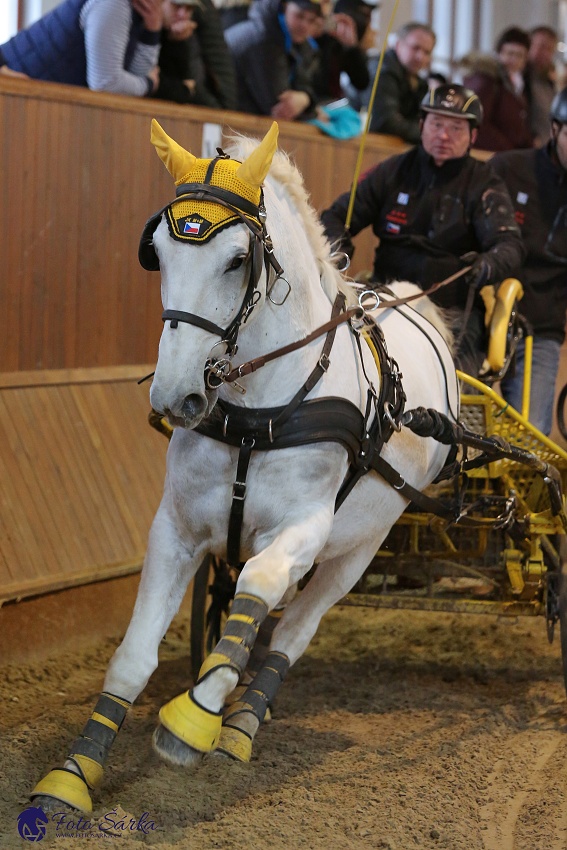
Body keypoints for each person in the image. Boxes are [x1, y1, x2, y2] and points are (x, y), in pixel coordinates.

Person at [320, 84, 525, 377]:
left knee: (447, 388)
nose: (444, 135)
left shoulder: (485, 183)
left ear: (473, 136)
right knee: (347, 368)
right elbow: (336, 216)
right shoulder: (392, 171)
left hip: (452, 310)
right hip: (386, 298)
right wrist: (338, 249)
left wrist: (490, 264)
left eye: (456, 128)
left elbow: (510, 245)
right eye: (437, 124)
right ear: (421, 125)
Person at [490, 88, 567, 435]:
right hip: (483, 315)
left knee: (532, 433)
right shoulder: (508, 168)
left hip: (543, 327)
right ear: (555, 130)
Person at [0, 0, 162, 97]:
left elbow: (136, 78)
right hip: (13, 90)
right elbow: (105, 84)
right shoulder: (113, 4)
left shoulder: (139, 12)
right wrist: (148, 84)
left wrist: (152, 31)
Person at [225, 0, 324, 119]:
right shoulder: (263, 38)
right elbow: (279, 107)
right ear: (285, 6)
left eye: (312, 20)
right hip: (225, 117)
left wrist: (306, 99)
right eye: (299, 15)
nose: (304, 25)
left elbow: (303, 83)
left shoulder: (296, 40)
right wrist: (313, 112)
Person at [154, 0, 237, 108]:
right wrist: (185, 90)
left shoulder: (189, 31)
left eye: (189, 8)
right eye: (177, 6)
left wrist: (180, 43)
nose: (182, 14)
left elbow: (194, 85)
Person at [462, 27, 533, 151]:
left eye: (520, 56)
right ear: (499, 53)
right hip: (491, 154)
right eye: (510, 53)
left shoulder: (518, 83)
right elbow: (479, 123)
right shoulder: (487, 81)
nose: (514, 60)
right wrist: (508, 150)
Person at [367, 21, 436, 143]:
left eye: (427, 52)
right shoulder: (382, 71)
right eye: (415, 48)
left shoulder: (418, 82)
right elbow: (386, 122)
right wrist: (428, 134)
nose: (420, 57)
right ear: (398, 44)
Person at [310, 0, 371, 104]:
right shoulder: (307, 39)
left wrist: (351, 46)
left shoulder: (339, 43)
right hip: (311, 105)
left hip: (332, 105)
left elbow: (361, 82)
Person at [524, 25, 558, 148]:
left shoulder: (548, 83)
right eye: (541, 46)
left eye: (550, 49)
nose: (545, 54)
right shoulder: (520, 81)